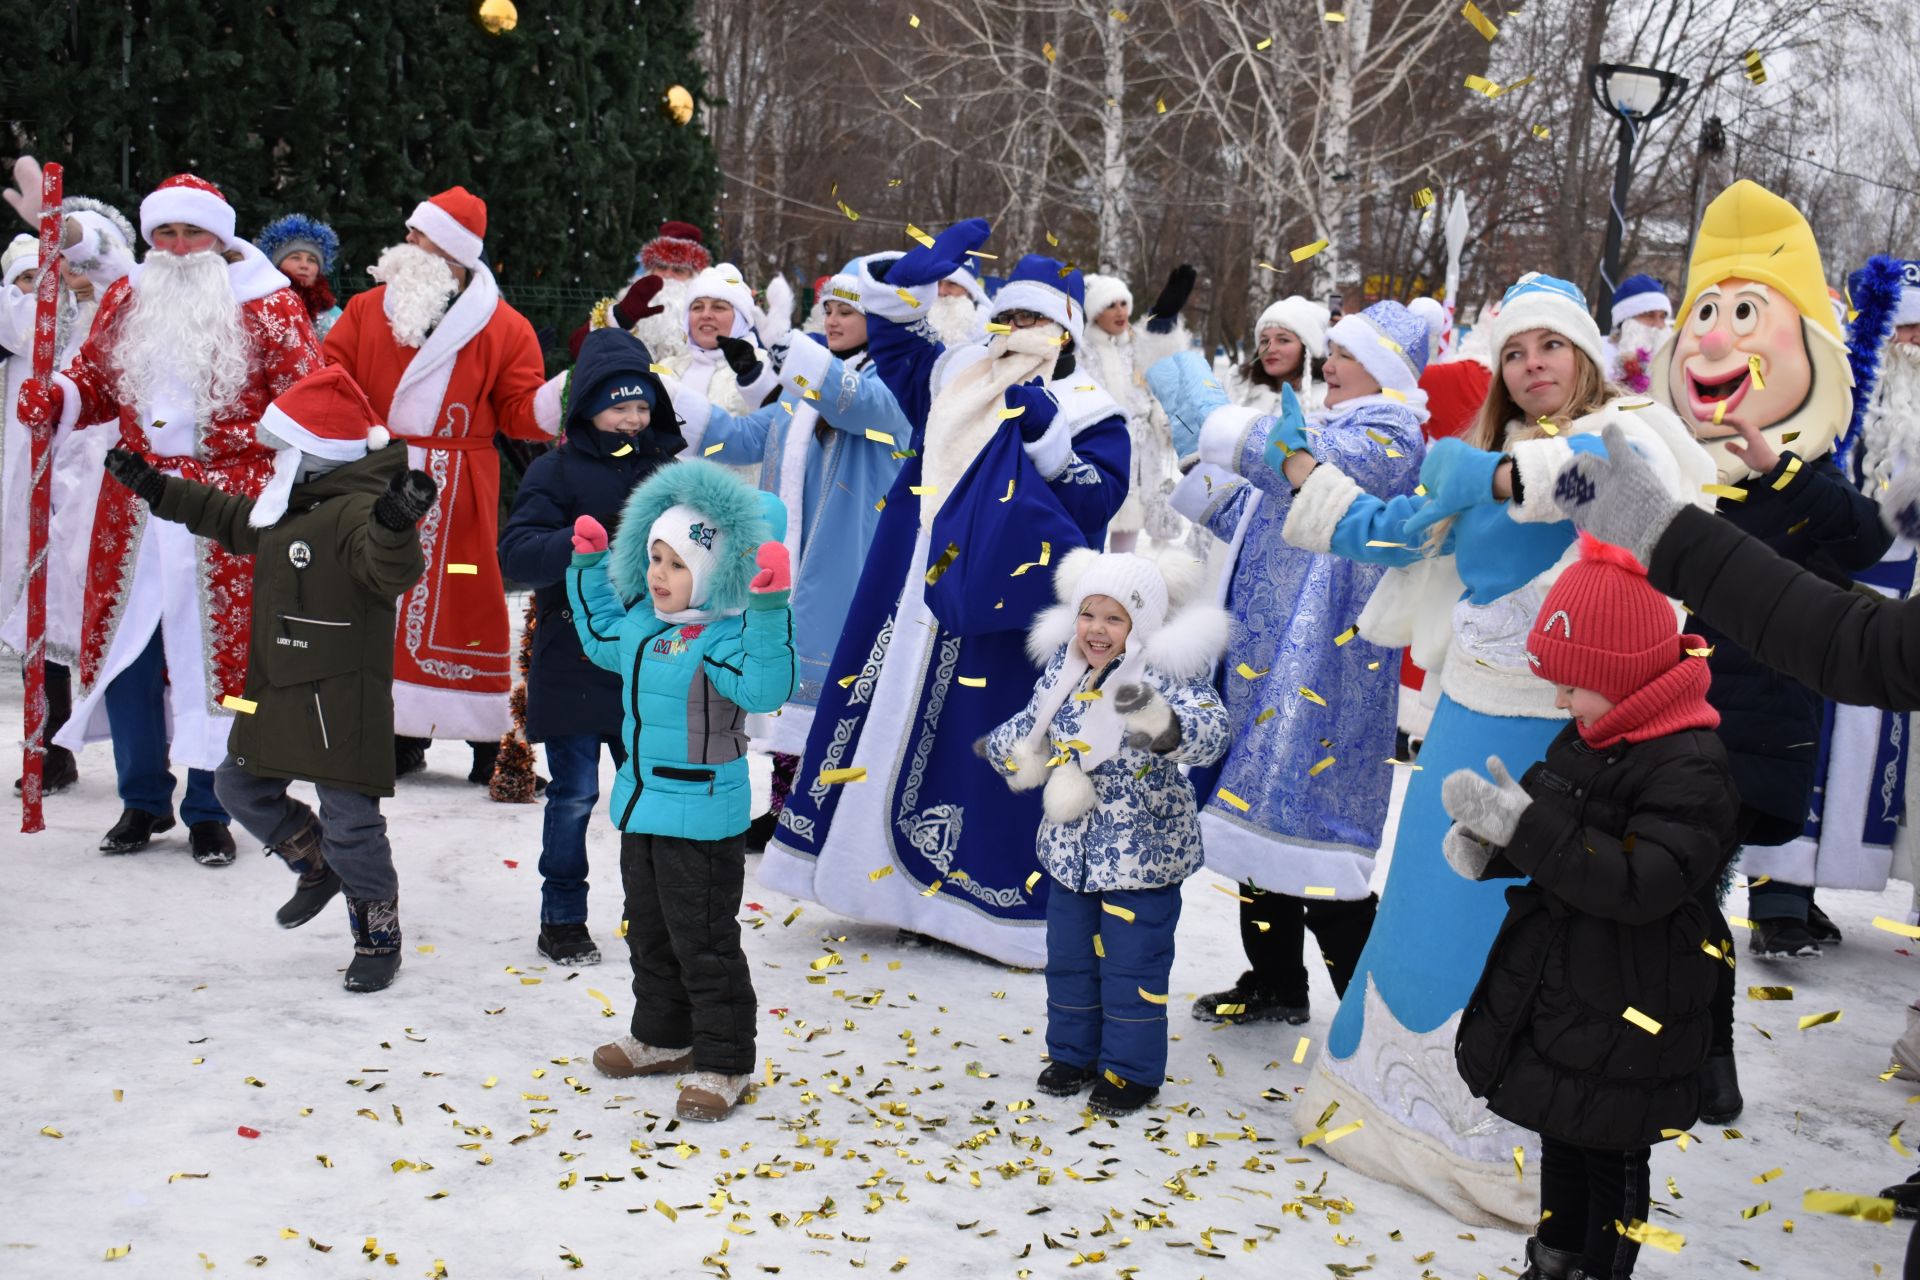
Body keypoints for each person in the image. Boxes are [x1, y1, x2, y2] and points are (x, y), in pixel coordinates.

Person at [1276, 272, 1714, 1224]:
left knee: (1520, 928)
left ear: (1585, 358)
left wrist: (1492, 474)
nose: (1531, 365)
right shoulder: (1480, 462)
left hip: (1561, 734)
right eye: (1514, 353)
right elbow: (1391, 536)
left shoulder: (1626, 437)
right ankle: (1384, 1111)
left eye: (1549, 347)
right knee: (1430, 909)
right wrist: (1308, 483)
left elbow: (1605, 493)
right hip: (1462, 725)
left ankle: (1502, 1144)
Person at [758, 219, 1131, 967]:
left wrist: (1047, 441)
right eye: (1012, 316)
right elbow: (894, 347)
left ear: (1065, 332)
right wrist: (910, 285)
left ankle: (974, 904)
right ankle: (878, 885)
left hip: (1007, 612)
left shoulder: (1094, 410)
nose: (1020, 330)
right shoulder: (961, 373)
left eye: (1037, 320)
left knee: (980, 750)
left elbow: (1097, 506)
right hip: (912, 592)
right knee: (883, 725)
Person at [1442, 534, 1736, 1280]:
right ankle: (1555, 1260)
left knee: (1611, 1155)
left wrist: (1527, 831)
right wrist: (1495, 845)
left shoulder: (1690, 768)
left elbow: (1641, 885)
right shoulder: (1590, 737)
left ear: (1625, 676)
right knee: (1560, 1131)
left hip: (1636, 999)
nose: (1561, 700)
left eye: (1572, 683)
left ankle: (1603, 1267)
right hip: (1570, 988)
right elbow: (1552, 826)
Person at [19, 173, 324, 864]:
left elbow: (310, 401)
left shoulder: (269, 305)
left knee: (217, 658)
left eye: (193, 233)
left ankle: (211, 806)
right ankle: (141, 799)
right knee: (130, 654)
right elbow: (97, 380)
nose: (180, 247)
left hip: (226, 510)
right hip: (133, 504)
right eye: (166, 233)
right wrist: (60, 396)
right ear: (150, 238)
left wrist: (287, 487)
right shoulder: (129, 297)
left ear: (220, 237)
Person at [100, 367, 432, 990]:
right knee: (238, 787)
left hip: (340, 700)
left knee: (354, 825)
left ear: (317, 452)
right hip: (279, 688)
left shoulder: (356, 511)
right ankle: (313, 860)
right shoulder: (290, 506)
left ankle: (377, 936)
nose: (276, 458)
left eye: (287, 447)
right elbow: (227, 516)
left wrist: (394, 522)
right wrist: (157, 489)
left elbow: (390, 569)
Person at [1148, 301, 1428, 1029]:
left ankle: (1370, 1021)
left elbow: (1311, 473)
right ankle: (1275, 981)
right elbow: (1256, 513)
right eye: (1328, 351)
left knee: (1318, 837)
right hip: (1266, 659)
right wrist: (1197, 463)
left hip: (1328, 672)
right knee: (1255, 819)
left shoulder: (1391, 433)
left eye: (1343, 354)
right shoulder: (1335, 425)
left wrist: (1214, 417)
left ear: (1386, 369)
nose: (1326, 363)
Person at [567, 459, 795, 1123]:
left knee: (704, 941)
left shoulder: (724, 638)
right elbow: (600, 631)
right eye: (653, 558)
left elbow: (765, 689)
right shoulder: (644, 626)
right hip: (641, 807)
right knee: (651, 933)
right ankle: (663, 1036)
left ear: (715, 571)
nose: (658, 575)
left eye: (675, 564)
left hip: (701, 814)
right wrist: (587, 570)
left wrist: (767, 608)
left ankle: (724, 1062)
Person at [321, 186, 558, 784]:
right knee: (378, 602)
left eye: (419, 236)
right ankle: (395, 731)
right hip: (378, 475)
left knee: (466, 600)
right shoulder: (365, 310)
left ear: (451, 254)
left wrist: (562, 395)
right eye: (410, 232)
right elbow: (330, 378)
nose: (407, 243)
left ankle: (484, 737)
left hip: (459, 492)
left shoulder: (504, 327)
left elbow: (519, 413)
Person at [669, 260, 911, 841]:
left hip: (851, 557)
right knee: (788, 677)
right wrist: (670, 400)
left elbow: (859, 406)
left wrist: (790, 354)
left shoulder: (896, 379)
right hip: (796, 558)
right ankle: (787, 806)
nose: (831, 319)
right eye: (827, 307)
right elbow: (749, 436)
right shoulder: (813, 382)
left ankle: (836, 815)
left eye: (846, 310)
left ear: (879, 317)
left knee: (839, 685)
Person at [982, 549, 1229, 1115]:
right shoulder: (1064, 670)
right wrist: (1009, 746)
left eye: (1114, 618)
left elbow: (1211, 734)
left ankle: (1131, 1070)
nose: (1097, 629)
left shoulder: (1170, 673)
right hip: (1072, 850)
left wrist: (1164, 723)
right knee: (1070, 957)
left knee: (1132, 964)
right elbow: (1033, 722)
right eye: (1089, 614)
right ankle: (1073, 1053)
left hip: (1142, 855)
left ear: (1139, 625)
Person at [499, 328, 683, 967]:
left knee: (647, 791)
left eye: (642, 407)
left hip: (650, 664)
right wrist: (571, 548)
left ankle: (649, 910)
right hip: (573, 656)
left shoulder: (667, 472)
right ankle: (563, 916)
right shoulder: (555, 470)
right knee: (574, 794)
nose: (633, 419)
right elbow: (516, 550)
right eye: (618, 406)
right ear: (587, 409)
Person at [0, 197, 137, 796]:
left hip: (105, 488)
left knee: (116, 621)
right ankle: (50, 747)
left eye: (80, 251)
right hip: (38, 487)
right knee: (42, 617)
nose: (69, 265)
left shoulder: (128, 314)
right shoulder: (37, 314)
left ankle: (148, 762)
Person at [1079, 269, 1195, 552]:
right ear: (1094, 313)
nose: (1120, 312)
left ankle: (1120, 578)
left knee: (1130, 521)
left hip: (1142, 450)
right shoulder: (1082, 349)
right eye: (1110, 305)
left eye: (1123, 304)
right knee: (1092, 521)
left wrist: (1164, 315)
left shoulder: (1135, 344)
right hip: (1100, 447)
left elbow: (1159, 355)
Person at [570, 220, 713, 363]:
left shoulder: (708, 318)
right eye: (661, 268)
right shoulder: (625, 304)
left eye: (678, 270)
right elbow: (578, 348)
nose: (667, 275)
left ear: (693, 278)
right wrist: (619, 317)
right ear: (650, 271)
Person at [657, 263, 778, 421]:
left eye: (718, 307)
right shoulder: (666, 367)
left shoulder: (766, 367)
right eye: (697, 307)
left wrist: (752, 379)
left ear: (740, 318)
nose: (706, 315)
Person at [1225, 296, 1328, 415]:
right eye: (1264, 341)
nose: (1270, 349)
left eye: (1283, 340)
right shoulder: (1236, 387)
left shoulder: (1326, 403)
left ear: (1308, 349)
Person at [255, 213, 343, 341]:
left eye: (312, 260)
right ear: (277, 264)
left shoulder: (334, 314)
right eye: (295, 258)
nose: (304, 265)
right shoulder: (260, 305)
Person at [1603, 274, 1673, 395]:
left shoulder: (1675, 363)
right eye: (1650, 315)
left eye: (1662, 317)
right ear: (1626, 321)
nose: (1658, 325)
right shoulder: (1601, 353)